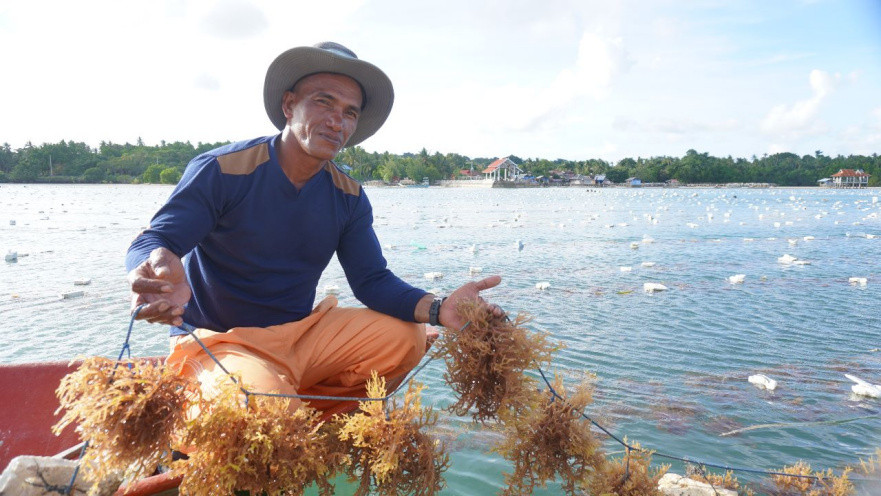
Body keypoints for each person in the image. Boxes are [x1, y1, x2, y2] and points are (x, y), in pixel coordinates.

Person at [126, 41, 503, 417]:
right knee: (266, 410)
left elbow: (372, 281)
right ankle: (270, 406)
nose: (337, 122)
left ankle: (308, 412)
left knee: (405, 338)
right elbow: (156, 240)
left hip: (298, 336)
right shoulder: (225, 170)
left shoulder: (348, 196)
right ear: (289, 105)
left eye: (350, 112)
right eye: (323, 102)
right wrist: (154, 268)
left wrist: (439, 309)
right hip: (220, 342)